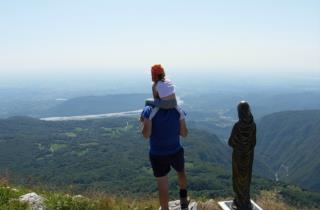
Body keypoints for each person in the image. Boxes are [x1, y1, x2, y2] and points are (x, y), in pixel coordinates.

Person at [140, 65, 189, 210]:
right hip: (175, 150)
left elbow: (146, 135)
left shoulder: (149, 110)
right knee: (181, 172)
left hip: (158, 153)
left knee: (162, 183)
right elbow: (185, 133)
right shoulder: (177, 110)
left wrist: (142, 123)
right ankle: (184, 201)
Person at [228, 101, 256, 210]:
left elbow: (231, 142)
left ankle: (239, 201)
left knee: (237, 179)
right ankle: (245, 201)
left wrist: (239, 146)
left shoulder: (237, 126)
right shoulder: (253, 125)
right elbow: (253, 142)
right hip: (248, 158)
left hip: (238, 157)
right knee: (246, 180)